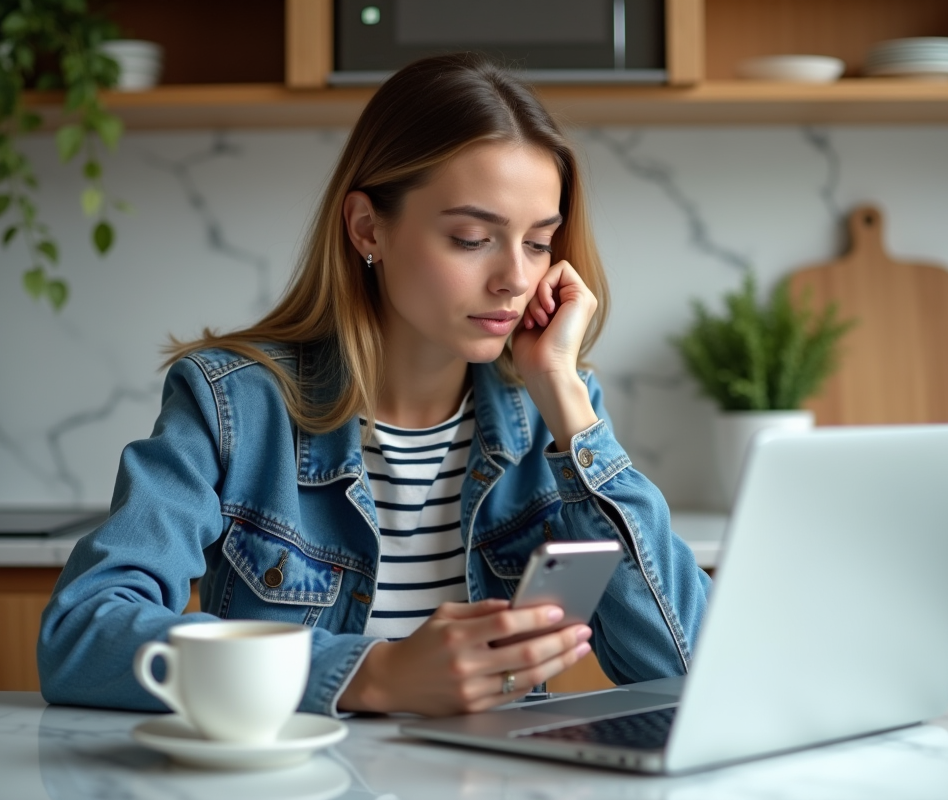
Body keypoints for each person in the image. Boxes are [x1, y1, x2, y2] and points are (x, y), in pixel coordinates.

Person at [38, 53, 711, 718]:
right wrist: (371, 672)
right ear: (368, 229)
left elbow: (692, 671)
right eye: (473, 237)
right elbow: (82, 633)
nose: (514, 277)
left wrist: (566, 400)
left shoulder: (558, 417)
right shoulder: (233, 405)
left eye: (538, 243)